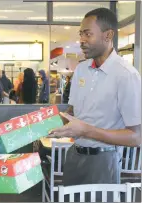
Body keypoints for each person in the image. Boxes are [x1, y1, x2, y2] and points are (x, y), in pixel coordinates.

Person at [48, 7, 141, 190]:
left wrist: (86, 131)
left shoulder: (126, 75)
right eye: (81, 34)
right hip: (73, 155)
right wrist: (47, 122)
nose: (81, 40)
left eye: (88, 34)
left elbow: (136, 137)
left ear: (108, 36)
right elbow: (73, 113)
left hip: (104, 161)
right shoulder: (81, 69)